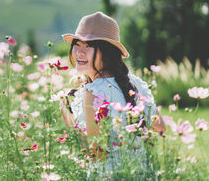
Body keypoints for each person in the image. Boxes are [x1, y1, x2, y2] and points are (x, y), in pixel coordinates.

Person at [59, 12, 166, 180]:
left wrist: (67, 116)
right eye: (77, 44)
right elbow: (160, 127)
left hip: (109, 174)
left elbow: (96, 154)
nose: (79, 52)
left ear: (107, 53)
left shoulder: (92, 92)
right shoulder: (132, 82)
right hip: (142, 171)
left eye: (88, 46)